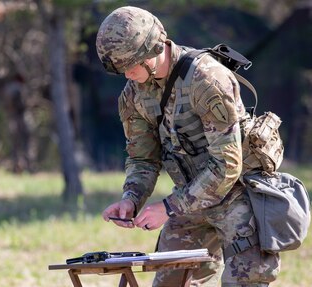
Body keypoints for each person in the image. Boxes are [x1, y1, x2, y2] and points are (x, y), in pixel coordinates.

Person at [96, 6, 280, 287]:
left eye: (130, 65)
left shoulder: (206, 80)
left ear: (153, 49)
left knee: (246, 281)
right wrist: (131, 198)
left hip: (239, 195)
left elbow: (227, 167)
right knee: (170, 281)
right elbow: (143, 159)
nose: (127, 75)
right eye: (120, 69)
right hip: (191, 199)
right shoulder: (133, 94)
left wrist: (169, 207)